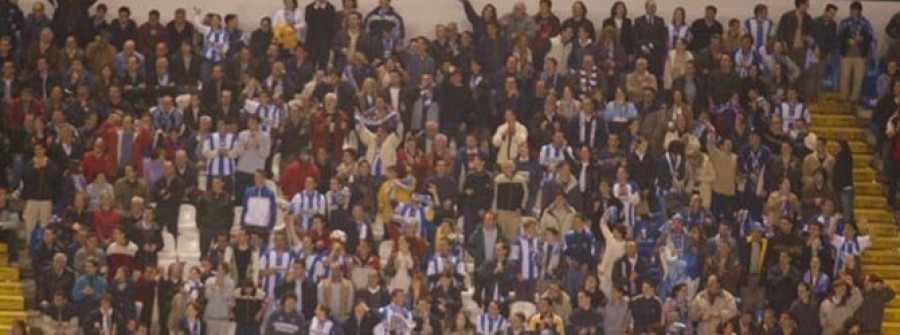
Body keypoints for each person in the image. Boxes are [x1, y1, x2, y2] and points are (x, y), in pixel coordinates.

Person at [837, 1, 874, 104]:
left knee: (858, 78)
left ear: (859, 11)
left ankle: (854, 98)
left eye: (856, 11)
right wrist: (847, 40)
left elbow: (870, 37)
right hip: (846, 55)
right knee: (845, 76)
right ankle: (843, 97)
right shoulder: (844, 22)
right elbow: (839, 36)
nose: (853, 13)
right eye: (852, 10)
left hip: (860, 56)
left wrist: (861, 39)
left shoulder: (865, 23)